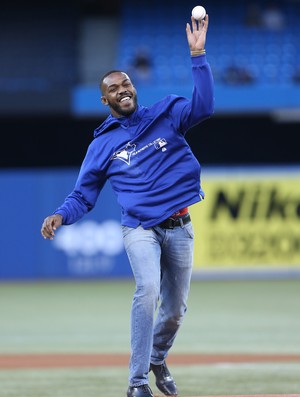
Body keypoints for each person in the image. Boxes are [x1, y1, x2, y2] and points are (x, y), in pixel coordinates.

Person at [41, 14, 214, 397]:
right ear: (105, 99)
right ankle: (136, 384)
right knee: (147, 290)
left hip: (180, 226)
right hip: (140, 228)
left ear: (134, 87)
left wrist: (198, 56)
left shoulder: (165, 114)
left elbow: (203, 108)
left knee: (174, 311)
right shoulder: (101, 145)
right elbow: (83, 195)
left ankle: (157, 357)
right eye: (114, 88)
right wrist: (60, 214)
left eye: (127, 83)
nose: (123, 89)